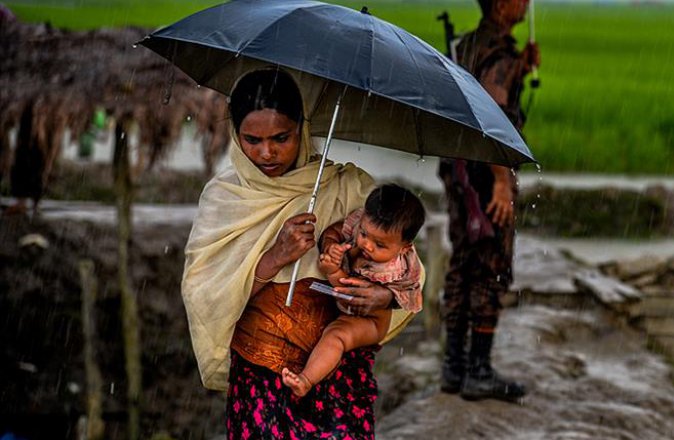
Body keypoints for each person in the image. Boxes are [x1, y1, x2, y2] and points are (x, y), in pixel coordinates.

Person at [182, 69, 401, 439]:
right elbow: (204, 296)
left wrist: (384, 294)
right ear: (235, 136)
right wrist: (274, 258)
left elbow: (404, 263)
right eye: (252, 140)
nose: (267, 152)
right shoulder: (225, 199)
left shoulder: (348, 189)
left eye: (281, 138)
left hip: (336, 375)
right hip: (260, 374)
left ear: (302, 129)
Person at [438, 0, 539, 402]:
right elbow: (492, 116)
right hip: (485, 172)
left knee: (463, 261)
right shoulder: (496, 52)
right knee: (490, 265)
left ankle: (454, 367)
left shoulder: (473, 44)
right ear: (502, 3)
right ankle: (477, 369)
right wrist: (501, 180)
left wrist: (522, 68)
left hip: (462, 169)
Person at [283, 183, 425, 396]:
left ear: (404, 247)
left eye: (380, 245)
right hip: (343, 301)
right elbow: (336, 230)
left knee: (336, 335)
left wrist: (332, 269)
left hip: (369, 320)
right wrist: (331, 244)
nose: (367, 245)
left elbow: (346, 290)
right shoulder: (360, 223)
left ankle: (306, 380)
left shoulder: (394, 269)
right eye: (364, 234)